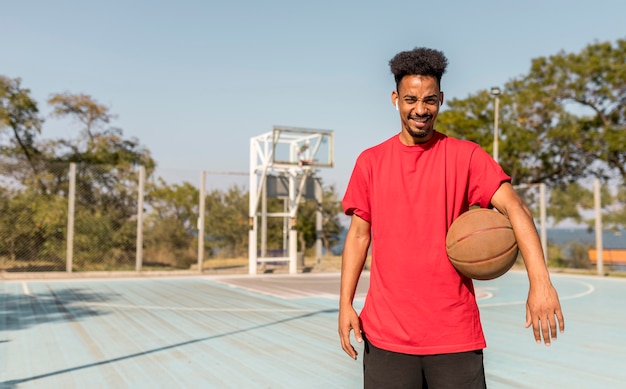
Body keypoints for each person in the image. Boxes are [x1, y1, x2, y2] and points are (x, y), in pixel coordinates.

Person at [338, 47, 565, 388]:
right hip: (386, 334)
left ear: (441, 99)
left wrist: (541, 283)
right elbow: (358, 236)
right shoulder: (370, 162)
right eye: (411, 99)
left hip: (454, 332)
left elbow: (517, 209)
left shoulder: (466, 156)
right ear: (395, 99)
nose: (420, 109)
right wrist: (345, 305)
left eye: (429, 100)